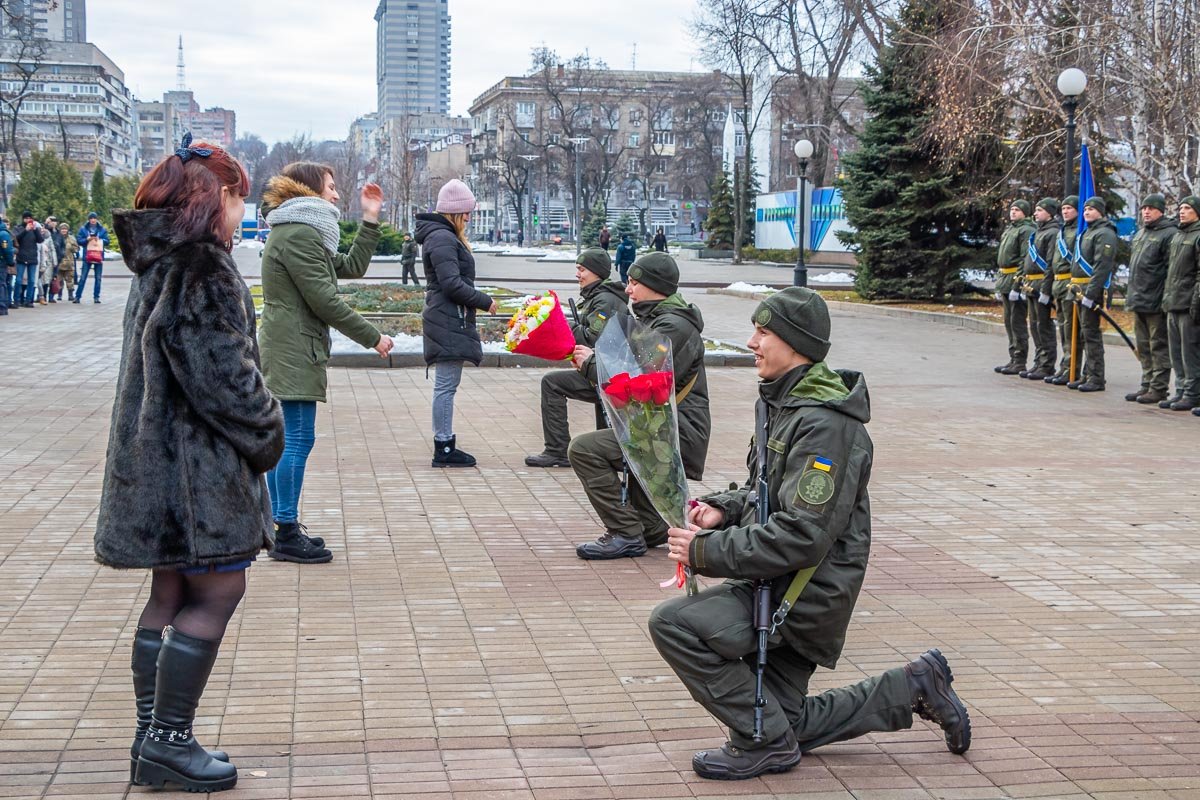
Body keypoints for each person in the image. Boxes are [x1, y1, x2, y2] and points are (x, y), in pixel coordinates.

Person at [649, 288, 971, 781]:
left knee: (675, 624)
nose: (751, 342)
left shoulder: (826, 426)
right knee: (786, 720)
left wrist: (704, 552)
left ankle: (763, 743)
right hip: (782, 581)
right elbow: (769, 493)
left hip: (803, 595)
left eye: (764, 331)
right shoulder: (787, 403)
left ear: (795, 343)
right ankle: (913, 687)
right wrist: (722, 509)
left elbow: (802, 533)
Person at [94, 136, 284, 793]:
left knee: (169, 594)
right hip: (197, 476)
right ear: (217, 198)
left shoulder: (160, 259)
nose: (241, 212)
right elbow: (222, 377)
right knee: (216, 592)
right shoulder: (202, 265)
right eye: (238, 198)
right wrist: (268, 433)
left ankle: (152, 741)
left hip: (156, 470)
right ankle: (169, 741)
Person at [258, 162, 393, 564]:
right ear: (310, 191)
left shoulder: (302, 232)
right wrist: (374, 336)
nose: (336, 195)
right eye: (331, 188)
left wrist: (370, 220)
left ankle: (284, 527)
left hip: (294, 346)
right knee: (296, 440)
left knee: (290, 441)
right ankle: (284, 530)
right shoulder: (298, 234)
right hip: (292, 349)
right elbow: (324, 299)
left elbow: (350, 267)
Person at [570, 252, 710, 559]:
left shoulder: (673, 327)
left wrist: (591, 366)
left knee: (584, 449)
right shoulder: (654, 318)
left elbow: (642, 378)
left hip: (673, 431)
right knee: (646, 511)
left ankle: (625, 533)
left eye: (634, 283)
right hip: (656, 424)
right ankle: (651, 526)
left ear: (656, 286)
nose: (628, 290)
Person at [415, 179, 497, 467]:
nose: (469, 218)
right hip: (447, 318)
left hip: (448, 317)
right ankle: (444, 447)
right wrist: (484, 301)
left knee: (446, 385)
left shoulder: (442, 236)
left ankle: (444, 443)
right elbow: (451, 284)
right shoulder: (442, 238)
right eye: (466, 213)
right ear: (454, 212)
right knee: (446, 386)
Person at [525, 248, 629, 468]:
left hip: (609, 372)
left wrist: (561, 324)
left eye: (582, 270)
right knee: (565, 387)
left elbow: (592, 336)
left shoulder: (605, 300)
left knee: (552, 384)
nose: (578, 274)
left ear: (597, 272)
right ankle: (606, 453)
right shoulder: (599, 297)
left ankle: (558, 450)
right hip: (603, 369)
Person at [1123, 194, 1177, 404]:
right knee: (1144, 346)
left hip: (1155, 300)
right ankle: (1147, 384)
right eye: (1144, 208)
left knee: (1158, 346)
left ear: (1161, 211)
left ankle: (1159, 387)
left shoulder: (1169, 234)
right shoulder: (1140, 234)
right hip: (1139, 298)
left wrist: (1164, 298)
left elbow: (1169, 270)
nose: (1146, 211)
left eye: (1151, 208)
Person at [1068, 196, 1119, 393]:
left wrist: (1091, 293)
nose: (1086, 212)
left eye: (1091, 209)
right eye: (1085, 209)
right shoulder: (1088, 232)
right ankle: (1086, 374)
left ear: (1100, 211)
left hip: (1092, 292)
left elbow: (1102, 266)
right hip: (1081, 291)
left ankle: (1097, 377)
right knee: (1082, 334)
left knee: (1091, 335)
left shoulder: (1104, 233)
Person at [1161, 195, 1200, 412]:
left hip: (1188, 304)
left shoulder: (1197, 236)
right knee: (1176, 352)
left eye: (1187, 208)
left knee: (1190, 352)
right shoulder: (1178, 235)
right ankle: (1181, 391)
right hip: (1173, 301)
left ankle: (1193, 393)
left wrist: (1195, 302)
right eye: (1181, 208)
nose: (1182, 211)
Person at [1020, 198, 1060, 380]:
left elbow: (1050, 263)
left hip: (1042, 284)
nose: (1035, 214)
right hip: (1031, 284)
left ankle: (1047, 364)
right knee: (1035, 326)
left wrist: (1046, 290)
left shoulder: (1052, 232)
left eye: (1039, 210)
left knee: (1044, 326)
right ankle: (1038, 362)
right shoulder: (1038, 232)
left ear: (1050, 213)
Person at [994, 200, 1035, 375]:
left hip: (1014, 278)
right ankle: (1013, 358)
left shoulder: (1026, 230)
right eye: (1011, 209)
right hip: (1005, 277)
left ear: (1025, 212)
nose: (1013, 212)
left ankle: (1020, 360)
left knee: (1017, 322)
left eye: (1017, 210)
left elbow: (1024, 258)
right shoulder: (1010, 229)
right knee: (1008, 321)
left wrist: (1017, 285)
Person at [1046, 197, 1080, 385]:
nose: (1065, 211)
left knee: (1070, 329)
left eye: (1069, 208)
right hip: (1058, 285)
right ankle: (1065, 367)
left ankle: (1071, 368)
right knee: (1064, 329)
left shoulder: (1078, 231)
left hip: (1070, 283)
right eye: (1064, 208)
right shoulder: (1062, 231)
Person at [75, 211, 110, 303]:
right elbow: (78, 240)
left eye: (94, 218)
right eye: (91, 218)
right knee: (83, 277)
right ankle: (77, 297)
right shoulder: (83, 229)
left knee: (98, 278)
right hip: (87, 256)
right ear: (89, 219)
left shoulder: (102, 229)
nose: (93, 220)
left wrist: (100, 240)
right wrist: (87, 239)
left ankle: (96, 297)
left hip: (98, 256)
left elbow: (107, 241)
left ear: (96, 219)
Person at [13, 211, 44, 309]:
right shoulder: (18, 228)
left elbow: (40, 240)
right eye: (26, 218)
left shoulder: (35, 229)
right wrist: (25, 230)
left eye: (29, 218)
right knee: (18, 280)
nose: (27, 220)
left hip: (32, 257)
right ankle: (16, 300)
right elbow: (16, 239)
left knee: (31, 281)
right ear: (23, 219)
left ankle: (29, 300)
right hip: (21, 257)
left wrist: (35, 230)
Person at [56, 222, 78, 303]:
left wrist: (71, 246)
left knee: (70, 280)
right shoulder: (57, 237)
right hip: (59, 262)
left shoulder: (71, 238)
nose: (64, 230)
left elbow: (76, 249)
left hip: (69, 263)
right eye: (62, 229)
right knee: (59, 280)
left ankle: (70, 295)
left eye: (65, 229)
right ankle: (59, 295)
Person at [36, 216, 56, 304]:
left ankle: (44, 297)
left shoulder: (48, 237)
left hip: (47, 261)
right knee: (38, 279)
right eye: (40, 228)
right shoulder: (35, 236)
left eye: (43, 228)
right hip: (37, 260)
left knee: (46, 280)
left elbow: (52, 249)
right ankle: (40, 296)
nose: (42, 230)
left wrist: (54, 261)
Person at [0, 215, 13, 315]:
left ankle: (2, 306)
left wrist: (10, 261)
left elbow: (7, 249)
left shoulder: (3, 234)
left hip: (1, 262)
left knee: (1, 284)